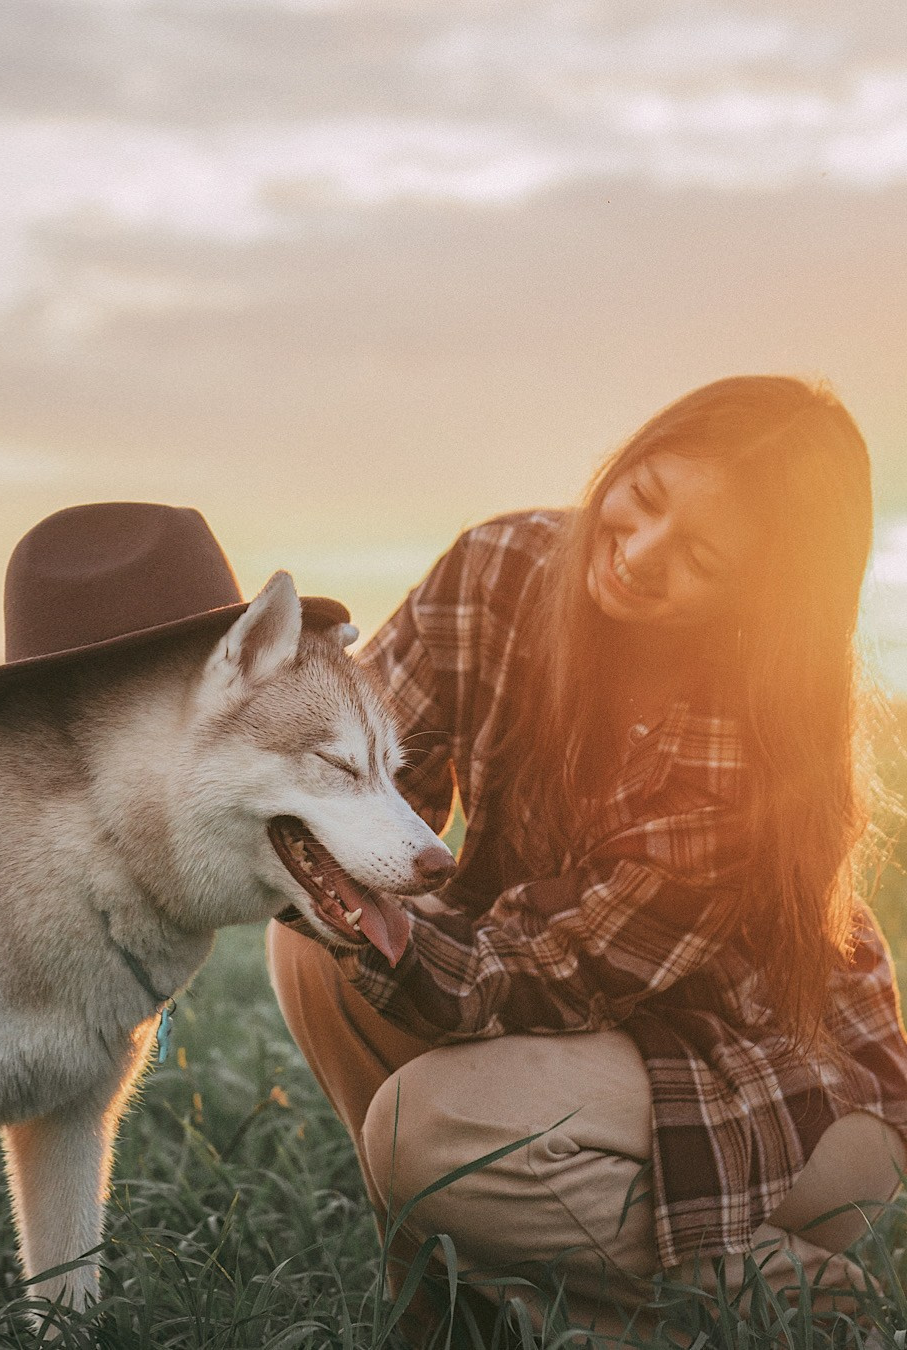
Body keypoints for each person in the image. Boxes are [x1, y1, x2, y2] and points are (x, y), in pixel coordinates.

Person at [266, 374, 907, 1339]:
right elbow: (363, 778)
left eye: (701, 557)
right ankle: (449, 1290)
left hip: (779, 1088)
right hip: (584, 1035)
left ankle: (799, 1309)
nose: (640, 554)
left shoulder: (747, 749)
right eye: (643, 497)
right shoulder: (502, 567)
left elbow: (541, 974)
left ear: (761, 595)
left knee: (425, 1130)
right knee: (319, 929)